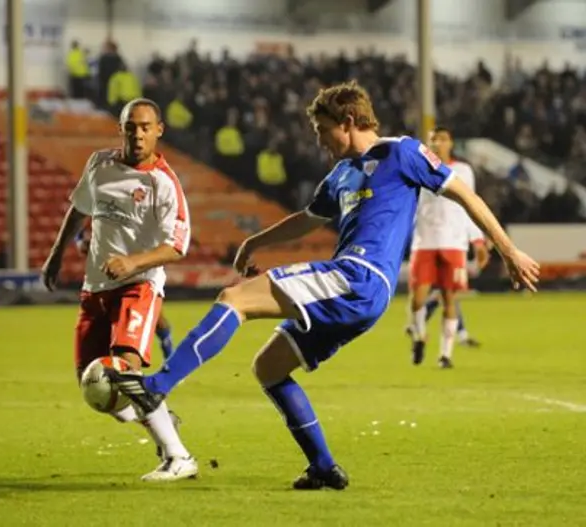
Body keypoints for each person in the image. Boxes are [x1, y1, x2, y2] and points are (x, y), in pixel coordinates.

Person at [107, 82, 540, 490]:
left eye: (323, 130)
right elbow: (306, 219)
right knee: (269, 367)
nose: (319, 140)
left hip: (358, 277)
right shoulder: (339, 176)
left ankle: (156, 387)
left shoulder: (401, 152)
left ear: (349, 120)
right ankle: (322, 467)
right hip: (356, 293)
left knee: (234, 299)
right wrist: (256, 241)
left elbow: (465, 194)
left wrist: (508, 250)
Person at [41, 98, 197, 482]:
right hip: (95, 287)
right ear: (121, 129)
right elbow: (78, 209)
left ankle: (179, 456)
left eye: (145, 127)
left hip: (138, 285)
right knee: (92, 384)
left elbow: (176, 246)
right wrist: (56, 254)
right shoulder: (100, 165)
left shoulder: (164, 183)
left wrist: (133, 262)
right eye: (131, 127)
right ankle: (159, 416)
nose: (138, 134)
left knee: (122, 370)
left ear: (159, 130)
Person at [408, 126, 490, 368]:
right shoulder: (416, 168)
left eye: (442, 139)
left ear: (450, 143)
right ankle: (420, 336)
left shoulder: (463, 170)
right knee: (417, 299)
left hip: (454, 243)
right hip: (424, 242)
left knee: (449, 299)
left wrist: (478, 240)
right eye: (433, 139)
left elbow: (470, 204)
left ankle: (445, 355)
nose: (437, 143)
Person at [75, 224, 174, 362]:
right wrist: (84, 245)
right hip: (107, 279)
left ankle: (168, 349)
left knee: (158, 320)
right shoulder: (94, 214)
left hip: (136, 274)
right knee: (109, 326)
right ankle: (111, 369)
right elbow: (79, 237)